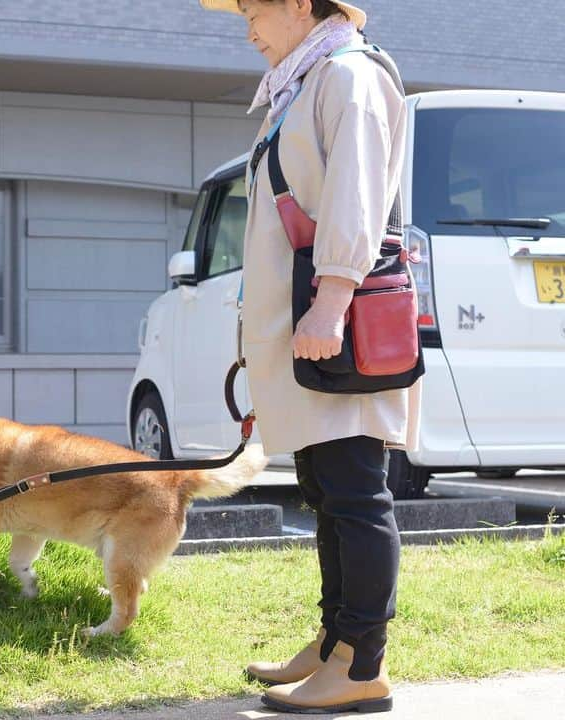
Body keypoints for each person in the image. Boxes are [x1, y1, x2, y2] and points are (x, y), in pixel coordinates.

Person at [197, 0, 421, 714]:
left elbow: (356, 197)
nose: (247, 27)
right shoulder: (305, 79)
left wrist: (332, 299)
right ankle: (334, 645)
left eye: (254, 10)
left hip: (339, 321)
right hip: (311, 325)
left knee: (356, 492)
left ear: (300, 4)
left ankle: (362, 666)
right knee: (327, 493)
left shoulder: (348, 75)